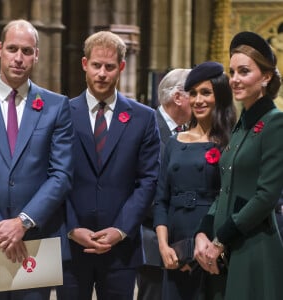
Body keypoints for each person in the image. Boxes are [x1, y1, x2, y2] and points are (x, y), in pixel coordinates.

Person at [64, 30, 160, 300]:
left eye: (109, 67)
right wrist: (72, 227)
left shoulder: (143, 118)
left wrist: (119, 230)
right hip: (72, 247)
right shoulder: (62, 114)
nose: (102, 74)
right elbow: (55, 176)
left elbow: (148, 180)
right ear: (85, 64)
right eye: (96, 65)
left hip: (121, 249)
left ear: (121, 67)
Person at [0, 19, 73, 299]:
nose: (19, 58)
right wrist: (0, 228)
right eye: (12, 49)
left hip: (35, 242)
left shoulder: (56, 106)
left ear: (37, 55)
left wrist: (22, 222)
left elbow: (61, 174)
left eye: (26, 50)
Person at [194, 31, 283, 300]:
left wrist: (221, 239)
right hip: (226, 249)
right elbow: (226, 189)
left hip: (254, 249)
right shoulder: (242, 125)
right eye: (232, 72)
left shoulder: (275, 123)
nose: (234, 80)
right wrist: (203, 231)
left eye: (244, 72)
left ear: (266, 77)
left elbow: (265, 196)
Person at [153, 61, 236, 300]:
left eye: (205, 93)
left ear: (219, 96)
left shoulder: (232, 141)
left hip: (213, 243)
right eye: (193, 93)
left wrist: (215, 245)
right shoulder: (174, 142)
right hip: (175, 244)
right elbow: (161, 199)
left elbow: (229, 198)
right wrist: (163, 246)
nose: (198, 100)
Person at [137, 68, 192, 300]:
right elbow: (139, 187)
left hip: (186, 241)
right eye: (195, 93)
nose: (201, 100)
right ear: (178, 97)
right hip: (151, 237)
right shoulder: (144, 127)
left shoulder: (192, 133)